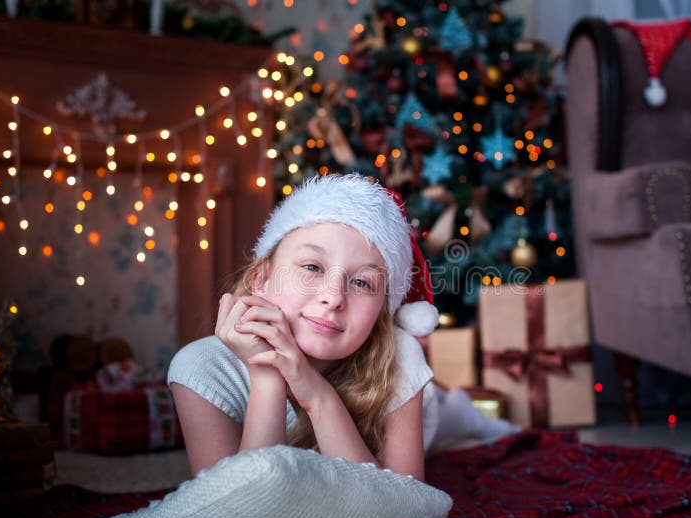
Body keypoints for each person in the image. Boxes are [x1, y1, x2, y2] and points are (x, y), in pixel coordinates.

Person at [168, 173, 518, 481]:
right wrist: (268, 378)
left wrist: (315, 392)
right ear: (260, 277)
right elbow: (239, 513)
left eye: (363, 283)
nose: (333, 297)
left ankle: (463, 408)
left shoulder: (397, 354)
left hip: (426, 414)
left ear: (383, 307)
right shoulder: (200, 369)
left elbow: (405, 507)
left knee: (451, 414)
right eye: (312, 267)